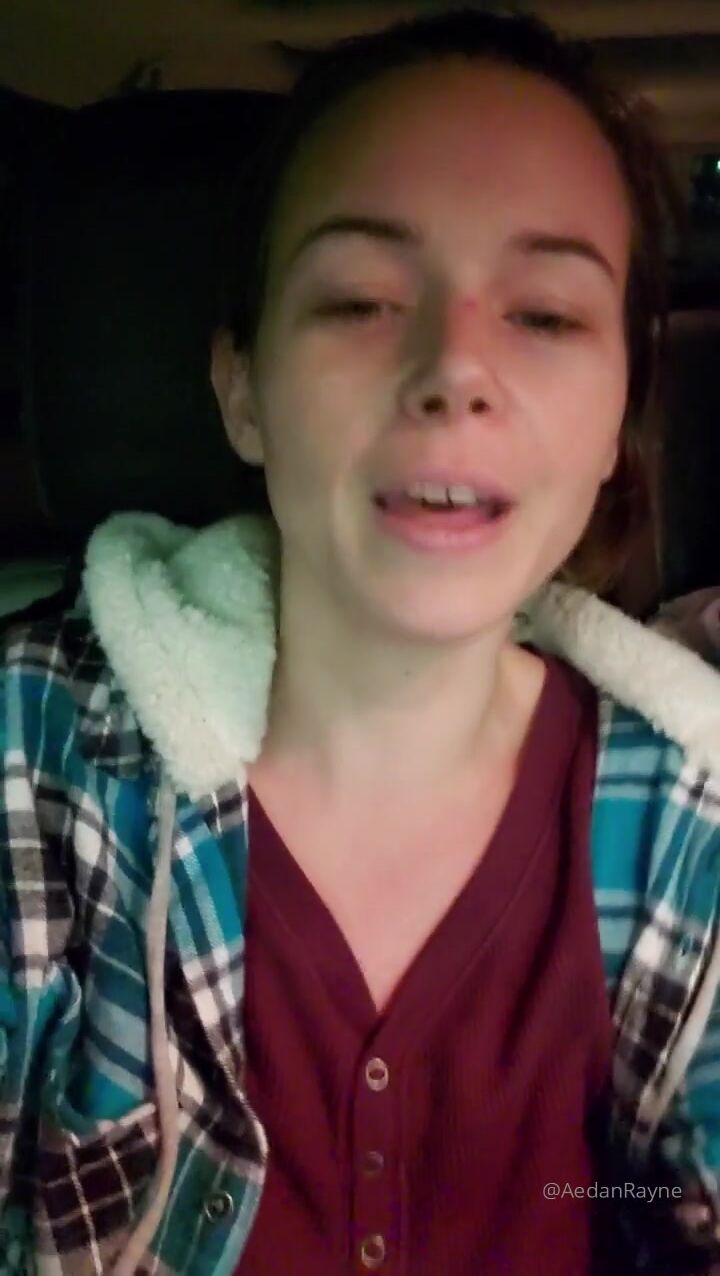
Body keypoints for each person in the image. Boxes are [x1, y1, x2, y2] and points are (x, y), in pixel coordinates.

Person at [2, 7, 720, 1274]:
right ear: (242, 388)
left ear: (619, 419)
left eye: (547, 315)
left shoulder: (687, 825)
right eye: (361, 299)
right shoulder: (31, 755)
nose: (455, 369)